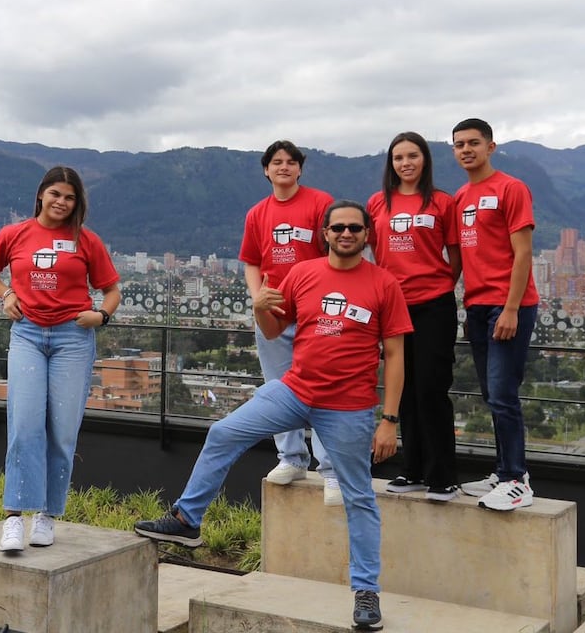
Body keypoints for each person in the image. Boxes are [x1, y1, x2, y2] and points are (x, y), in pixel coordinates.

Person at [135, 200, 412, 630]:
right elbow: (271, 330)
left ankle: (366, 592)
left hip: (348, 406)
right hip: (295, 389)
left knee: (358, 497)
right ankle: (188, 519)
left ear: (367, 234)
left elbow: (395, 356)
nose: (346, 233)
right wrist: (260, 306)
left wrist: (389, 419)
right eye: (337, 227)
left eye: (355, 228)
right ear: (325, 232)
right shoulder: (303, 274)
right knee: (224, 432)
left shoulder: (383, 284)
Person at [0, 166, 121, 552]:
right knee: (24, 425)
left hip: (73, 337)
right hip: (26, 333)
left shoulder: (86, 241)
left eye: (69, 197)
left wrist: (101, 316)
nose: (61, 202)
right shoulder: (14, 234)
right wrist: (7, 294)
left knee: (62, 430)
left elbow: (112, 290)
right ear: (41, 194)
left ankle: (47, 514)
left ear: (77, 203)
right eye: (55, 193)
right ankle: (13, 517)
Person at [239, 140, 339, 504]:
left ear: (300, 168)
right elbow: (251, 260)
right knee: (281, 388)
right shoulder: (257, 214)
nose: (284, 167)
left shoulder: (320, 203)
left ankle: (331, 469)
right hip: (274, 314)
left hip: (314, 311)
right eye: (276, 162)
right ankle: (291, 458)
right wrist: (257, 298)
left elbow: (336, 252)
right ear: (266, 170)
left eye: (291, 162)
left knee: (325, 391)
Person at [366, 133, 462, 502]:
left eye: (412, 155)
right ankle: (413, 469)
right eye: (398, 157)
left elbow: (454, 255)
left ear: (425, 160)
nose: (405, 163)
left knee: (432, 388)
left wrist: (438, 287)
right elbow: (374, 253)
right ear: (391, 163)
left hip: (434, 305)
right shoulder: (377, 202)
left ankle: (443, 476)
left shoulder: (442, 202)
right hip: (393, 306)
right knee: (401, 389)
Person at [452, 118, 540, 511]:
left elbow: (523, 253)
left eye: (473, 142)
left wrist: (510, 308)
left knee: (504, 394)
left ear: (491, 146)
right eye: (459, 144)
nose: (466, 149)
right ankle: (503, 470)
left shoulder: (511, 188)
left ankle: (517, 479)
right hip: (477, 305)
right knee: (491, 393)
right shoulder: (460, 197)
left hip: (510, 306)